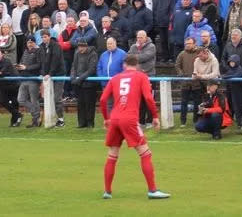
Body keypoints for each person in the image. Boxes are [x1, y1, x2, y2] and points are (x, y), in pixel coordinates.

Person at [98, 54, 169, 200]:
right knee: (145, 153)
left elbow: (103, 99)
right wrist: (155, 116)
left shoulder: (115, 78)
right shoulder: (141, 76)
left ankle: (107, 191)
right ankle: (152, 190)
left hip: (115, 118)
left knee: (112, 155)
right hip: (129, 120)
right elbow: (149, 98)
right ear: (137, 65)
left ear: (124, 65)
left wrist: (106, 118)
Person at [0, 48, 22, 127]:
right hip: (3, 86)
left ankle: (14, 122)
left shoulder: (7, 61)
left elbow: (4, 71)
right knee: (2, 101)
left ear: (1, 55)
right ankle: (18, 115)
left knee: (15, 103)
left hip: (14, 85)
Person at [71, 38, 99, 128]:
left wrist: (79, 79)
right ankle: (81, 123)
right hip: (79, 84)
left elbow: (91, 70)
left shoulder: (93, 54)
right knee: (80, 104)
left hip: (90, 84)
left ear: (86, 46)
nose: (80, 48)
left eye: (82, 46)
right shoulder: (76, 54)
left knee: (89, 104)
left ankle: (90, 123)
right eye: (79, 46)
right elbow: (73, 66)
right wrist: (73, 77)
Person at [16, 38, 42, 128]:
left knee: (34, 100)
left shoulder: (38, 51)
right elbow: (22, 62)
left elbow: (39, 64)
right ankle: (36, 114)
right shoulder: (25, 51)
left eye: (31, 42)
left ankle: (36, 120)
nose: (30, 44)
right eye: (28, 42)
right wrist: (19, 66)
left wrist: (26, 68)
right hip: (24, 78)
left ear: (35, 43)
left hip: (33, 79)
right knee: (21, 99)